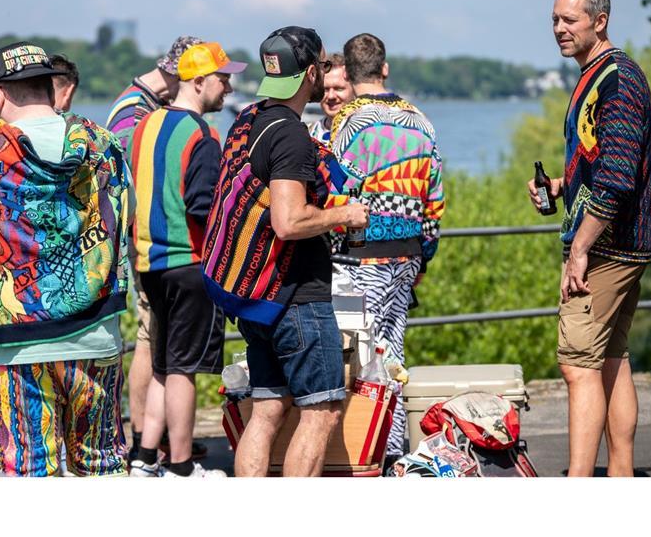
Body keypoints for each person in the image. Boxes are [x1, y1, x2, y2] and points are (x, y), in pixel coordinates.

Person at [0, 42, 132, 477]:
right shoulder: (104, 143)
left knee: (27, 472)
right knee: (103, 467)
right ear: (50, 87)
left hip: (16, 346)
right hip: (97, 336)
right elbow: (123, 219)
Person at [202, 26, 369, 477]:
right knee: (322, 411)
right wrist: (345, 215)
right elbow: (289, 221)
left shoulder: (252, 119)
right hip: (294, 296)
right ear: (312, 72)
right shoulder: (292, 137)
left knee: (268, 410)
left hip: (255, 298)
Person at [528, 0, 651, 477]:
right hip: (618, 243)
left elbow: (620, 176)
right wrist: (560, 186)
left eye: (570, 20)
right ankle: (619, 478)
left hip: (607, 247)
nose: (559, 28)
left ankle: (578, 491)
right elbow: (603, 163)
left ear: (599, 21)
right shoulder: (597, 75)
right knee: (610, 359)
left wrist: (580, 247)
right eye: (555, 19)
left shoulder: (617, 79)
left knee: (577, 365)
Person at [128, 42, 246, 478]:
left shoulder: (146, 124)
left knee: (161, 363)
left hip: (149, 262)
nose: (228, 86)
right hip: (190, 263)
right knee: (183, 369)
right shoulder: (204, 136)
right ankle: (180, 467)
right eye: (222, 78)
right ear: (198, 81)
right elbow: (202, 206)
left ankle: (144, 457)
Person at [329, 32, 445, 469]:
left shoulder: (349, 123)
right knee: (392, 353)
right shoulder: (421, 120)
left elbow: (338, 191)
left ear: (348, 73)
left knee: (358, 358)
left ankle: (361, 453)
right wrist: (423, 255)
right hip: (408, 252)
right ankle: (393, 450)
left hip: (360, 255)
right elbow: (435, 198)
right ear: (385, 68)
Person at [104, 34, 205, 463]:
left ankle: (152, 439)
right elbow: (136, 184)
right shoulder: (134, 114)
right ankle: (146, 439)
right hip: (155, 244)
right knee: (152, 342)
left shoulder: (142, 107)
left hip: (149, 243)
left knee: (155, 342)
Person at [307, 52, 354, 144]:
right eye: (325, 89)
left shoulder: (365, 133)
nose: (331, 96)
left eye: (339, 89)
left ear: (354, 89)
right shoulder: (307, 135)